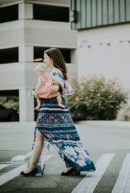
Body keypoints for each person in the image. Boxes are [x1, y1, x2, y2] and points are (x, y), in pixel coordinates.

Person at [20, 48, 96, 176]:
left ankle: (32, 167)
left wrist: (39, 92)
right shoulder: (55, 73)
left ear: (52, 59)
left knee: (42, 137)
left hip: (50, 109)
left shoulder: (55, 73)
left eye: (45, 58)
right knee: (64, 138)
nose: (44, 60)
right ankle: (74, 165)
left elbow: (55, 90)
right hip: (54, 109)